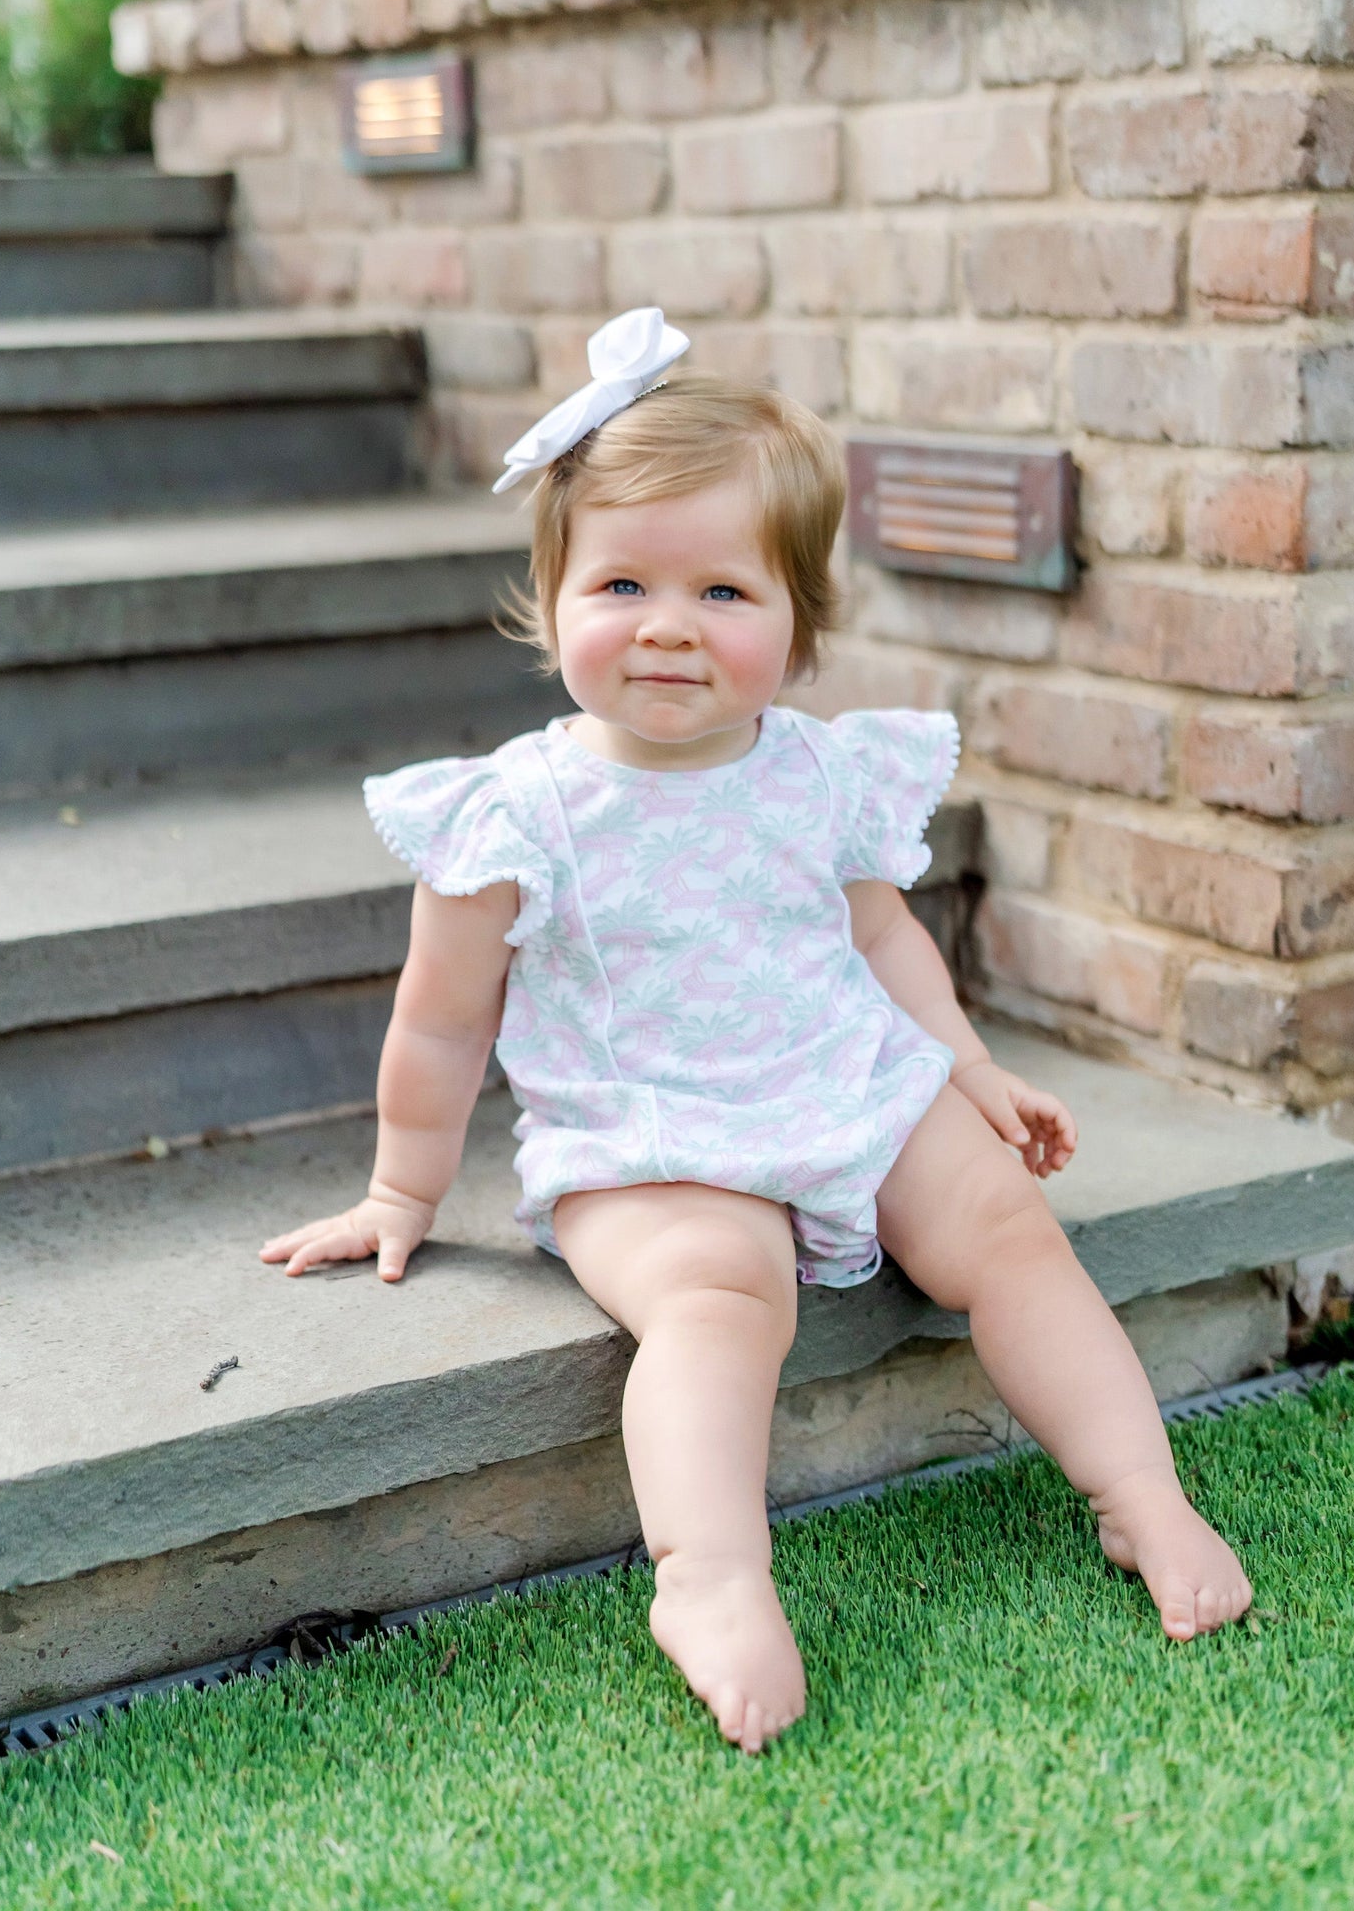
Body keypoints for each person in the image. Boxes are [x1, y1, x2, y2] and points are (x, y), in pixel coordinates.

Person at [261, 308, 1252, 1755]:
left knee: (1009, 1228)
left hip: (835, 1075)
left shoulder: (816, 774)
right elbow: (439, 1020)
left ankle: (1141, 1496)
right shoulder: (512, 814)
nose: (667, 623)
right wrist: (401, 1190)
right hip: (648, 1132)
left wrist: (964, 1069)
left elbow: (880, 938)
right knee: (723, 1293)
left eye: (723, 590)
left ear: (796, 630)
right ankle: (711, 1578)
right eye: (619, 581)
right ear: (550, 601)